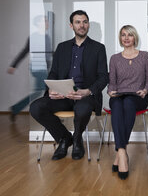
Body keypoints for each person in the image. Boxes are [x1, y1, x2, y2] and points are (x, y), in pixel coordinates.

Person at [30, 10, 108, 160]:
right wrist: (52, 89)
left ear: (88, 25)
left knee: (82, 109)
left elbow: (104, 77)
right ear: (71, 25)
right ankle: (64, 138)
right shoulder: (62, 47)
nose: (82, 25)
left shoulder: (98, 48)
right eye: (78, 22)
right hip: (63, 95)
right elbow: (53, 73)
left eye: (85, 22)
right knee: (36, 107)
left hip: (85, 95)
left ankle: (77, 139)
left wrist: (88, 91)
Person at [107, 25, 148, 180]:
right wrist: (110, 91)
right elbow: (112, 83)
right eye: (123, 35)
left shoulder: (145, 56)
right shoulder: (114, 58)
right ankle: (122, 152)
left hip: (138, 97)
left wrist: (145, 90)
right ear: (120, 38)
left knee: (128, 104)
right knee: (119, 104)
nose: (126, 38)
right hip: (119, 95)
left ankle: (120, 154)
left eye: (129, 35)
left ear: (135, 37)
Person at [7, 15, 51, 121]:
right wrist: (14, 65)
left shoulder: (47, 37)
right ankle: (16, 108)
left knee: (46, 91)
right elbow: (24, 51)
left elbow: (48, 54)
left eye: (46, 20)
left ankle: (49, 113)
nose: (47, 22)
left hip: (45, 68)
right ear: (38, 24)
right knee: (41, 91)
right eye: (44, 21)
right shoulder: (34, 37)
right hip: (38, 67)